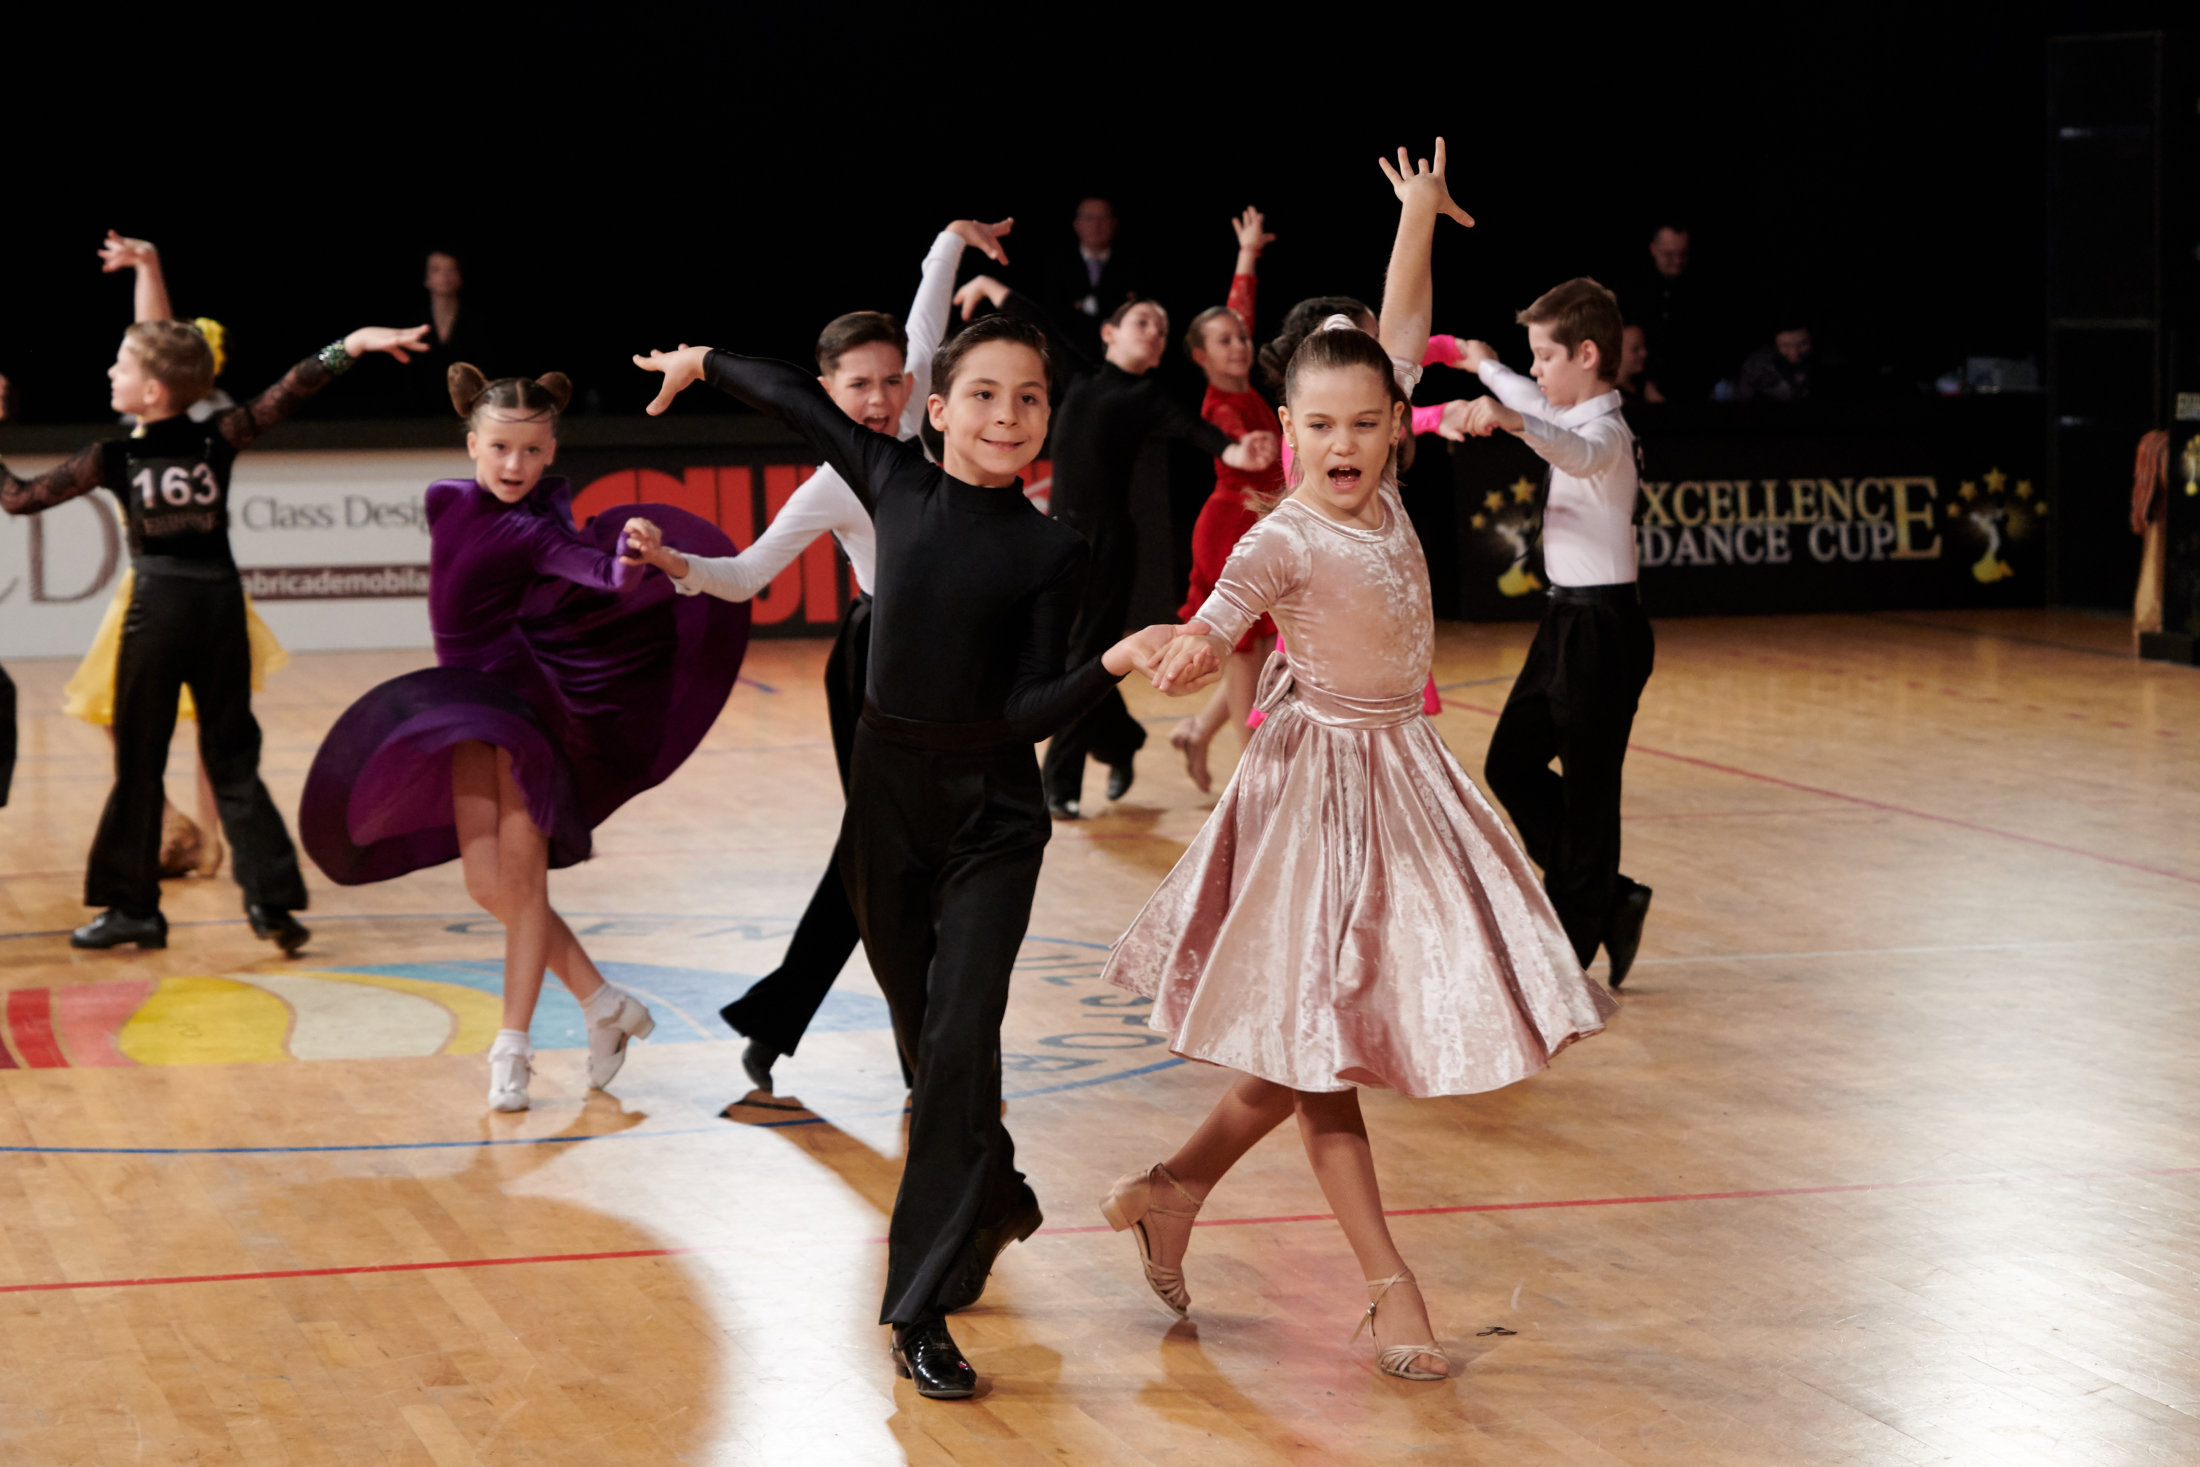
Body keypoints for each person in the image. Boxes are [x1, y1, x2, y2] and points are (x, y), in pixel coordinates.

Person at [1104, 143, 1615, 1382]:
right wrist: (1178, 649)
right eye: (1319, 426)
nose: (1343, 442)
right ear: (1285, 430)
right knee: (1319, 1050)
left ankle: (1171, 1190)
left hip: (1402, 776)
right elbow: (1217, 622)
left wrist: (1416, 215)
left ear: (1393, 427)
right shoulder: (1280, 536)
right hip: (1314, 795)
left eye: (1364, 423)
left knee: (1299, 1052)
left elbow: (1397, 326)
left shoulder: (1379, 481)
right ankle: (1389, 1283)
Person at [633, 322, 1178, 1401]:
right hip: (885, 807)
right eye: (983, 394)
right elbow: (797, 397)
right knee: (929, 1052)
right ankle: (997, 1197)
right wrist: (702, 365)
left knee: (959, 1037)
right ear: (937, 409)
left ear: (1046, 417)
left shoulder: (1053, 551)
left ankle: (916, 1311)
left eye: (1028, 398)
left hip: (992, 823)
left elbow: (1025, 711)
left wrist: (1111, 661)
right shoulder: (888, 479)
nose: (1006, 415)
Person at [621, 217, 1011, 1095]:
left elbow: (927, 307)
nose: (879, 397)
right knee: (889, 859)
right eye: (857, 385)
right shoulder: (835, 483)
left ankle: (783, 1016)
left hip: (961, 665)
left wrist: (954, 236)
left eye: (890, 379)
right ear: (826, 391)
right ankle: (922, 1063)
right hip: (876, 665)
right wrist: (676, 564)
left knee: (880, 858)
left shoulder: (923, 404)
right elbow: (746, 573)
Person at [300, 367, 746, 1112]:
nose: (516, 464)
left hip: (521, 714)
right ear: (472, 443)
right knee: (487, 885)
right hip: (464, 708)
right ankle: (604, 1002)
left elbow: (603, 574)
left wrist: (631, 554)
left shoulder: (531, 530)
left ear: (552, 451)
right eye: (501, 447)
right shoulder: (445, 499)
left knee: (524, 885)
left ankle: (512, 1047)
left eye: (533, 451)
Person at [1, 316, 430, 954]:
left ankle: (133, 909)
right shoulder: (217, 437)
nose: (111, 373)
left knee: (139, 763)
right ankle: (272, 903)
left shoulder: (112, 456)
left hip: (158, 611)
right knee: (233, 759)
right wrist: (352, 345)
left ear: (152, 391)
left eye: (122, 365)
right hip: (221, 608)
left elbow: (20, 498)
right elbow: (291, 389)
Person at [948, 276, 1275, 817]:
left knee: (1080, 657)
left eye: (1161, 329)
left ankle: (1059, 786)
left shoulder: (1151, 398)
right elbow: (1039, 322)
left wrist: (1237, 453)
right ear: (1109, 333)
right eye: (1143, 322)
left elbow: (1198, 432)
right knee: (1067, 658)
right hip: (1055, 534)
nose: (1154, 333)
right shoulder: (1076, 374)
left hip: (1108, 545)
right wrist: (988, 284)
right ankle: (1121, 738)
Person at [1454, 277, 1656, 988]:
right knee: (1509, 764)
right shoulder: (1566, 413)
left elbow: (1571, 450)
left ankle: (1569, 950)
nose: (1536, 369)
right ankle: (1612, 897)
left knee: (1591, 792)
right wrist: (1482, 363)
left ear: (1588, 355)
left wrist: (1510, 420)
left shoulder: (1606, 435)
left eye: (1545, 356)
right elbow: (1532, 402)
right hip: (1566, 621)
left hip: (1604, 628)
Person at [71, 231, 287, 880]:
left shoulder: (197, 427)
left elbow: (154, 332)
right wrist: (147, 263)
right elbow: (152, 332)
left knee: (209, 726)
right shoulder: (151, 422)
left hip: (187, 588)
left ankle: (207, 839)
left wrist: (150, 266)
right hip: (147, 587)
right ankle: (174, 826)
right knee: (118, 712)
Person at [1167, 207, 1285, 793]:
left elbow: (1239, 310)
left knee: (1257, 646)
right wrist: (1248, 445)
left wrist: (1247, 254)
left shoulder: (1244, 385)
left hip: (1258, 525)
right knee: (1244, 650)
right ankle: (1251, 777)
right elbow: (1231, 433)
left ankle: (1197, 732)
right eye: (1224, 342)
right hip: (1229, 529)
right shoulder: (1221, 405)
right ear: (1201, 357)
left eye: (1240, 338)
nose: (1239, 345)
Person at [1621, 224, 1713, 402]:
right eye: (1669, 254)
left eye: (1683, 254)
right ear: (1653, 249)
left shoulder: (1701, 290)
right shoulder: (1633, 289)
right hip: (1639, 389)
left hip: (1691, 389)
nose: (1677, 261)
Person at [1735, 323, 1813, 402]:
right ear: (1775, 344)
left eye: (1803, 343)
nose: (1794, 352)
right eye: (1785, 345)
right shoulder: (1756, 365)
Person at [1615, 321, 1665, 404]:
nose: (1644, 353)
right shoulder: (1606, 395)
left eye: (1644, 346)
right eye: (1635, 349)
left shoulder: (1645, 387)